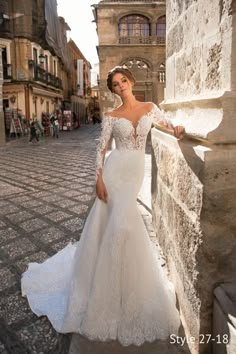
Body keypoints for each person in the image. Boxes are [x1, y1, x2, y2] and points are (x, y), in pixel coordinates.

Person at [22, 66, 185, 346]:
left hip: (133, 172)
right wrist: (98, 179)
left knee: (120, 224)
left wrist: (179, 129)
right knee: (118, 223)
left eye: (123, 81)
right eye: (115, 84)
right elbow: (102, 148)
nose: (120, 86)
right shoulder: (111, 116)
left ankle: (124, 284)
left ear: (131, 82)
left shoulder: (150, 107)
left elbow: (169, 126)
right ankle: (106, 287)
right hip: (114, 170)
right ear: (112, 90)